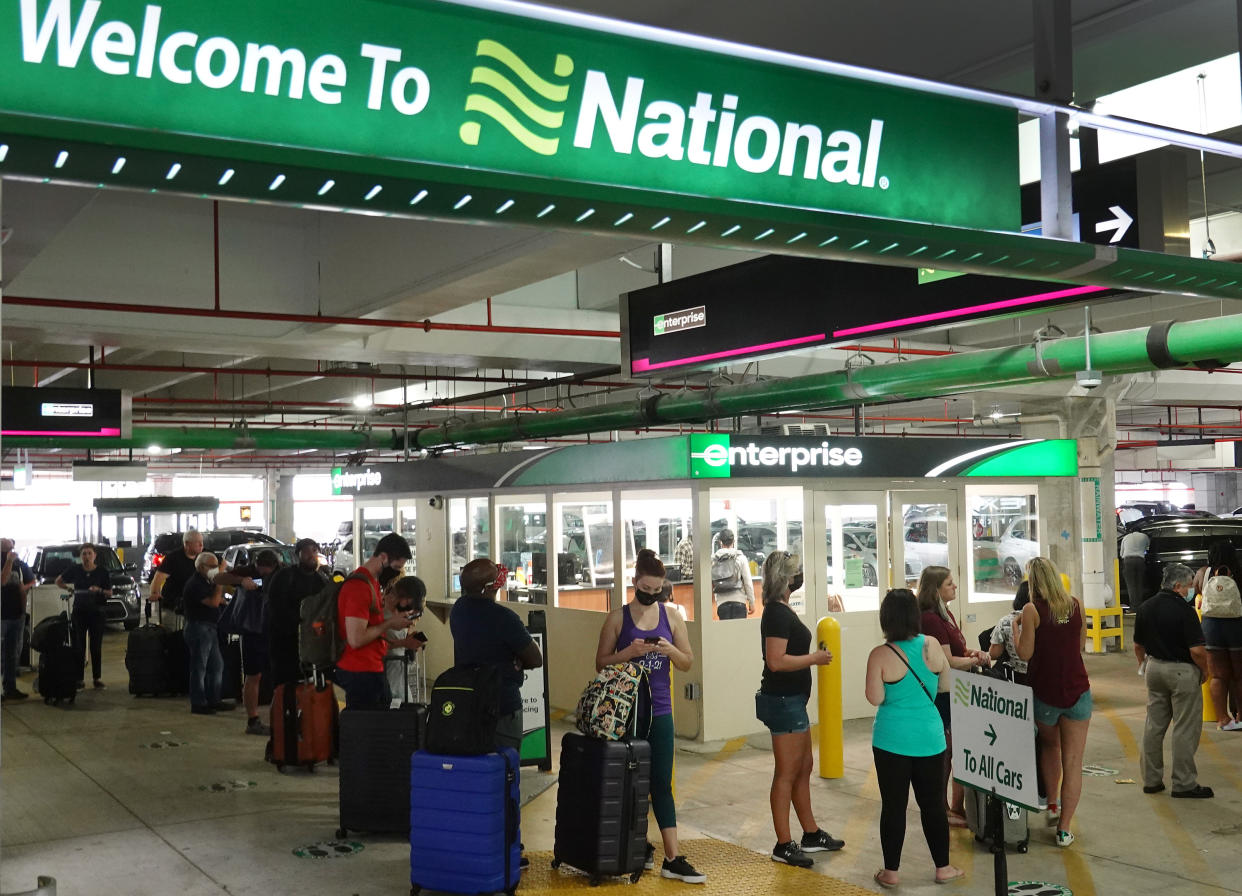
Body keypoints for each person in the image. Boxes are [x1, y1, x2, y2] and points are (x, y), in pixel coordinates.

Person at [594, 548, 704, 884]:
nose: (651, 595)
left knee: (661, 783)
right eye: (646, 588)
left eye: (658, 590)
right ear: (634, 581)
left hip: (660, 711)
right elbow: (600, 662)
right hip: (625, 713)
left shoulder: (672, 617)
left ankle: (672, 856)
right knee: (629, 782)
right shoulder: (617, 617)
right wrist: (630, 652)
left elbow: (687, 662)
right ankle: (633, 845)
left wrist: (668, 650)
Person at [866, 589, 963, 889]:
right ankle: (943, 868)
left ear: (886, 619)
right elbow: (945, 684)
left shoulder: (880, 655)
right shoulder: (931, 646)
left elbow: (874, 697)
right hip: (930, 739)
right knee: (933, 804)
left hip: (891, 741)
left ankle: (891, 873)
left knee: (893, 806)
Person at [755, 550, 844, 869]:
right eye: (797, 573)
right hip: (783, 702)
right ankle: (783, 843)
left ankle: (810, 833)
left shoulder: (781, 609)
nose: (800, 576)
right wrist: (814, 659)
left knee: (803, 766)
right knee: (787, 772)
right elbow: (776, 662)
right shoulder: (776, 614)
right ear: (787, 578)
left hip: (792, 701)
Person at [1015, 557, 1092, 847]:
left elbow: (1025, 654)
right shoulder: (1075, 604)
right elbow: (1081, 645)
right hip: (1078, 691)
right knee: (1073, 762)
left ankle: (1051, 803)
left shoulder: (1032, 609)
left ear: (1033, 581)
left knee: (1050, 746)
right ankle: (1063, 829)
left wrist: (1016, 627)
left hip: (1045, 694)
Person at [916, 566, 990, 828]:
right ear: (935, 589)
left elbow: (957, 649)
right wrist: (973, 662)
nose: (955, 587)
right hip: (942, 694)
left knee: (955, 750)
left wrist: (974, 653)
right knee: (945, 753)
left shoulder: (944, 614)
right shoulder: (932, 620)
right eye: (949, 584)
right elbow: (947, 661)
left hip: (954, 692)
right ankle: (942, 807)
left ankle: (955, 806)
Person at [1133, 562, 1213, 800]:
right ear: (1178, 586)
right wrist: (1206, 671)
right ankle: (1184, 783)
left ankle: (1151, 780)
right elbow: (1197, 651)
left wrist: (1144, 665)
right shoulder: (1184, 611)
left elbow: (1138, 645)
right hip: (1182, 672)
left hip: (1154, 668)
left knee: (1154, 726)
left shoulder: (1146, 607)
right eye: (1189, 586)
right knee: (1185, 728)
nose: (1192, 590)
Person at [335, 532, 421, 708]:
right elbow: (356, 639)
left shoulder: (373, 583)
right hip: (359, 671)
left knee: (380, 727)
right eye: (396, 567)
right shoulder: (358, 587)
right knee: (366, 729)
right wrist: (390, 623)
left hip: (372, 668)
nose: (397, 573)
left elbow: (373, 630)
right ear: (383, 557)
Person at [1191, 539, 1242, 730]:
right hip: (1237, 625)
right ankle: (1241, 717)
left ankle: (1223, 719)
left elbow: (1197, 592)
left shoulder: (1203, 572)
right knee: (1240, 675)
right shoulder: (1238, 572)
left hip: (1211, 626)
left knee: (1218, 676)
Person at [267, 538, 329, 686]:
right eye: (306, 551)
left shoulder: (321, 579)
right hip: (285, 642)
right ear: (298, 554)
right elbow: (276, 608)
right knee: (285, 683)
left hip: (311, 643)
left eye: (314, 551)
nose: (311, 555)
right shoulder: (285, 577)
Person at [232, 549, 280, 735]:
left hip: (272, 631)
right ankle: (253, 719)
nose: (262, 574)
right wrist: (242, 581)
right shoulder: (247, 571)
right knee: (253, 676)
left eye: (265, 571)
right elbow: (219, 577)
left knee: (277, 678)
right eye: (260, 570)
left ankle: (278, 719)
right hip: (252, 631)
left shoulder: (282, 575)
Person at [55, 543, 111, 690]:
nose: (86, 557)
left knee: (96, 646)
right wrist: (69, 589)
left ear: (95, 555)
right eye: (84, 554)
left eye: (89, 554)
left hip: (97, 612)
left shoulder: (102, 572)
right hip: (80, 611)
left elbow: (109, 592)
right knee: (79, 646)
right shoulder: (75, 569)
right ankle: (79, 679)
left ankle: (97, 678)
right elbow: (58, 581)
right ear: (80, 556)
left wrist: (99, 590)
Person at [183, 551, 230, 715]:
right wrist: (219, 580)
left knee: (216, 666)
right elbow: (213, 602)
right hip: (198, 628)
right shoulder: (195, 584)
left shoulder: (205, 581)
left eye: (217, 566)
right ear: (201, 567)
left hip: (210, 627)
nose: (215, 569)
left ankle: (214, 699)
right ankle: (198, 703)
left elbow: (216, 600)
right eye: (212, 566)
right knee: (199, 667)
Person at [383, 575, 427, 704]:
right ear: (405, 599)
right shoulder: (378, 615)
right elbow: (369, 644)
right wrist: (403, 643)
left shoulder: (398, 613)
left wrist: (409, 642)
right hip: (384, 685)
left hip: (399, 683)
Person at [1, 539, 35, 701]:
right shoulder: (7, 562)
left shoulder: (20, 564)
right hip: (2, 618)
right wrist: (8, 561)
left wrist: (23, 610)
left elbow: (29, 583)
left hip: (16, 616)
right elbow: (2, 581)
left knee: (12, 655)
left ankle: (10, 688)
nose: (10, 550)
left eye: (11, 547)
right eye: (6, 547)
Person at [988, 581, 1031, 684]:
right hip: (1043, 675)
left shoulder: (1005, 621)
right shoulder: (1046, 620)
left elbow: (994, 653)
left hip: (1017, 677)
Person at [710, 529, 753, 619]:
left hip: (722, 604)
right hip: (739, 601)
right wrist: (751, 602)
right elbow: (747, 582)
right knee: (740, 633)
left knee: (725, 633)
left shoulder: (713, 560)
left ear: (720, 542)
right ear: (733, 541)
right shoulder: (740, 558)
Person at [1120, 528, 1151, 611]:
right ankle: (1139, 606)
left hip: (1128, 561)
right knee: (1139, 584)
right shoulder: (1145, 536)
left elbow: (1121, 553)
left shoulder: (1126, 537)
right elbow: (1148, 548)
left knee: (1131, 585)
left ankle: (1133, 607)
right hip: (1140, 560)